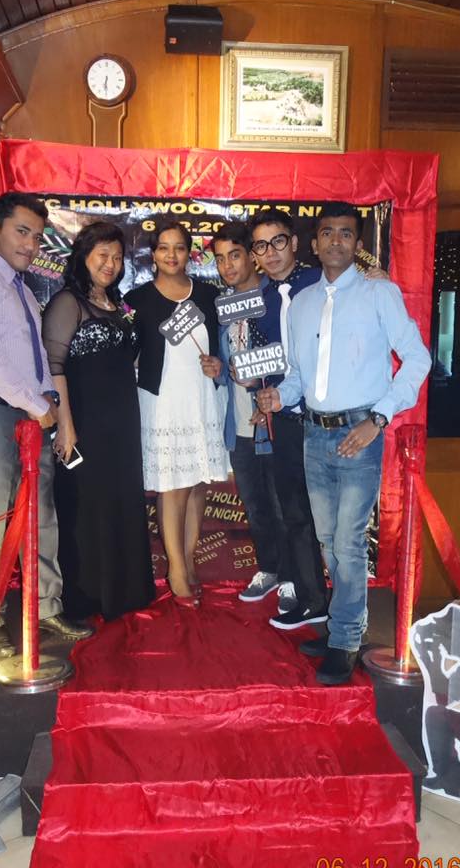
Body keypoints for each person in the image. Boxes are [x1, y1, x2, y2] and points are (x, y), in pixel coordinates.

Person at [258, 201, 431, 685]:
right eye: (328, 232)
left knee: (349, 543)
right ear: (313, 244)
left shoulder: (380, 293)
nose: (336, 240)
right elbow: (298, 376)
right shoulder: (304, 303)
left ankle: (347, 639)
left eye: (346, 233)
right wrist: (279, 395)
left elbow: (418, 358)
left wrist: (379, 418)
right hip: (313, 434)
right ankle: (339, 627)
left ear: (357, 243)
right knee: (327, 540)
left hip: (360, 434)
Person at [0, 191, 93, 667]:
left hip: (33, 416)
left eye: (36, 236)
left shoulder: (22, 290)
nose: (30, 244)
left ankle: (47, 608)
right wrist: (37, 406)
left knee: (41, 517)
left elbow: (38, 362)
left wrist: (49, 406)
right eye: (21, 232)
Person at [42, 221, 155, 621]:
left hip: (122, 424)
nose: (111, 264)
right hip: (85, 423)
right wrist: (65, 426)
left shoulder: (118, 304)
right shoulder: (67, 302)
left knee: (120, 500)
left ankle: (125, 591)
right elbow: (55, 369)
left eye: (118, 257)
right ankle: (88, 596)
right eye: (102, 255)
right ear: (83, 257)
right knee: (88, 507)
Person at [124, 221, 226, 608]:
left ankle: (188, 556)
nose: (171, 255)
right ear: (153, 254)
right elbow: (126, 350)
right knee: (173, 485)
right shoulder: (136, 299)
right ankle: (176, 571)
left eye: (179, 247)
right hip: (163, 400)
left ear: (189, 253)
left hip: (202, 397)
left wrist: (219, 364)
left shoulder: (209, 295)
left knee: (198, 483)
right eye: (163, 248)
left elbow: (223, 347)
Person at [248, 207, 330, 630]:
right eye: (261, 245)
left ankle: (343, 609)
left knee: (329, 521)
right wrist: (250, 382)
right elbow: (261, 363)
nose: (271, 252)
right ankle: (311, 598)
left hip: (326, 420)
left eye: (278, 241)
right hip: (284, 420)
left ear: (294, 242)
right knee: (294, 514)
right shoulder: (259, 301)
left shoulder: (321, 282)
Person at [211, 221, 294, 611]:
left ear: (252, 256)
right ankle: (269, 568)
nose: (227, 265)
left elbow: (291, 357)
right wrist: (217, 368)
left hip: (275, 422)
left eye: (235, 255)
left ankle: (293, 576)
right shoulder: (224, 308)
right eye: (220, 259)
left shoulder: (276, 297)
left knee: (283, 505)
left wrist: (273, 398)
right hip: (239, 424)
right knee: (255, 504)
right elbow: (226, 363)